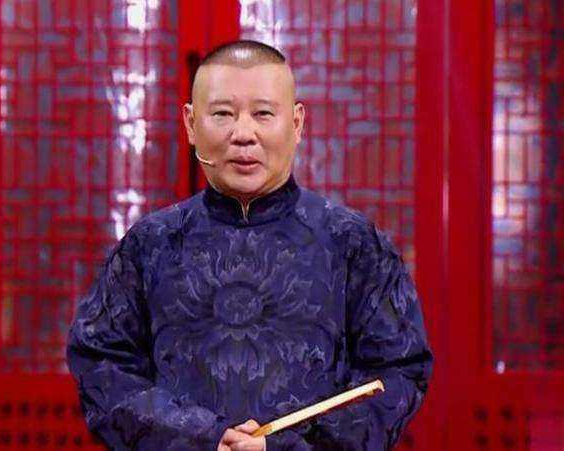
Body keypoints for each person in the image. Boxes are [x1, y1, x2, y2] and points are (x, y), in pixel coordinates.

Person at [66, 40, 433, 450]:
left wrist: (284, 447)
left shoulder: (354, 243)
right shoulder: (150, 244)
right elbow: (101, 364)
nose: (243, 134)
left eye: (263, 114)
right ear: (191, 124)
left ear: (297, 123)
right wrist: (201, 436)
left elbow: (398, 372)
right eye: (222, 114)